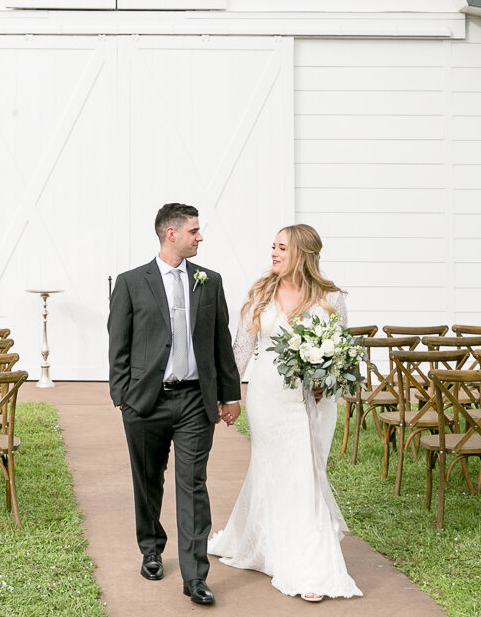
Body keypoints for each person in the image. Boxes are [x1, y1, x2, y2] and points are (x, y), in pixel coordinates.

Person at [207, 224, 362, 603]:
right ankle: (283, 552)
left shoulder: (331, 298)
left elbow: (340, 352)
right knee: (273, 471)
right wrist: (228, 397)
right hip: (268, 399)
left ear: (302, 255)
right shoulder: (261, 294)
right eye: (273, 247)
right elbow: (241, 350)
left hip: (313, 402)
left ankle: (309, 563)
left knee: (306, 475)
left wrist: (328, 380)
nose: (273, 254)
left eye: (281, 248)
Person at [108, 203, 242, 606]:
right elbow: (118, 344)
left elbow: (220, 341)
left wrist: (230, 394)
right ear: (172, 233)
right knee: (148, 480)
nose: (200, 237)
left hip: (195, 401)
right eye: (194, 231)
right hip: (146, 402)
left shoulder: (209, 281)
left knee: (193, 484)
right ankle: (151, 549)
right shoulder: (131, 282)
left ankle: (195, 576)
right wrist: (123, 397)